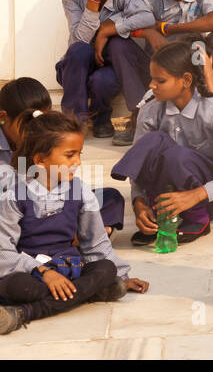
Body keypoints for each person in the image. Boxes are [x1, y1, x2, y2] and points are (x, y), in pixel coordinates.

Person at [0, 112, 148, 336]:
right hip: (32, 275)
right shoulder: (14, 195)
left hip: (70, 270)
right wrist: (43, 272)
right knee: (18, 287)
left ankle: (24, 313)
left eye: (79, 154)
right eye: (69, 155)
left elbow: (96, 243)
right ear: (40, 160)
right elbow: (4, 251)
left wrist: (123, 276)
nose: (77, 162)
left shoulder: (80, 191)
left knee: (105, 269)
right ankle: (93, 293)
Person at [111, 42, 213, 245]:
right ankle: (159, 217)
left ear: (186, 80)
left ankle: (198, 221)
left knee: (175, 155)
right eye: (151, 78)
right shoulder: (150, 109)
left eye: (160, 80)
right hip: (167, 193)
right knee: (154, 142)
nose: (152, 85)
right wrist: (139, 203)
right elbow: (142, 164)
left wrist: (194, 196)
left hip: (207, 199)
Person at [56, 0, 153, 141]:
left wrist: (106, 30)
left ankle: (101, 117)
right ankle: (74, 121)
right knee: (79, 50)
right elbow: (80, 40)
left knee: (104, 79)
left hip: (105, 67)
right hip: (74, 69)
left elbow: (147, 18)